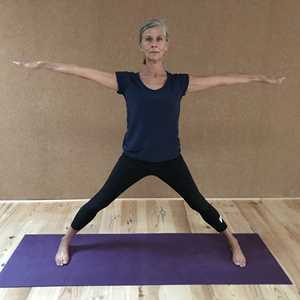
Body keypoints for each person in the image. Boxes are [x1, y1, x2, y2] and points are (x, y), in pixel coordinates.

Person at [12, 18, 285, 269]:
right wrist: (45, 65)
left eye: (159, 39)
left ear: (167, 46)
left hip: (170, 160)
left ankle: (232, 241)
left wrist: (259, 79)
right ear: (141, 45)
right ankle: (66, 239)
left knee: (199, 203)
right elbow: (82, 72)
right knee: (100, 201)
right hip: (134, 159)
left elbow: (223, 80)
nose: (154, 43)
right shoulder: (127, 81)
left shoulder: (179, 83)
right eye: (148, 39)